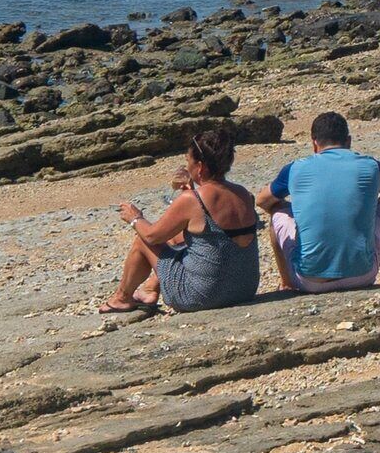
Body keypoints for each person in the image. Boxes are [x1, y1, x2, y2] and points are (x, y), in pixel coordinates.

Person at [100, 125, 260, 313]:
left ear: (199, 167)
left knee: (142, 240)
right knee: (180, 240)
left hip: (201, 296)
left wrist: (135, 218)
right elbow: (213, 234)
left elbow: (152, 236)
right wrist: (192, 188)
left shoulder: (193, 200)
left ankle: (122, 298)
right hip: (244, 288)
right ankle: (150, 288)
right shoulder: (244, 194)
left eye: (188, 161)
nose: (186, 166)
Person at [266, 109, 380, 292]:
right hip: (362, 276)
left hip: (310, 281)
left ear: (314, 143)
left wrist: (297, 213)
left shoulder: (294, 168)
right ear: (348, 141)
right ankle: (369, 260)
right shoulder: (372, 165)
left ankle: (287, 283)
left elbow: (263, 200)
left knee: (277, 210)